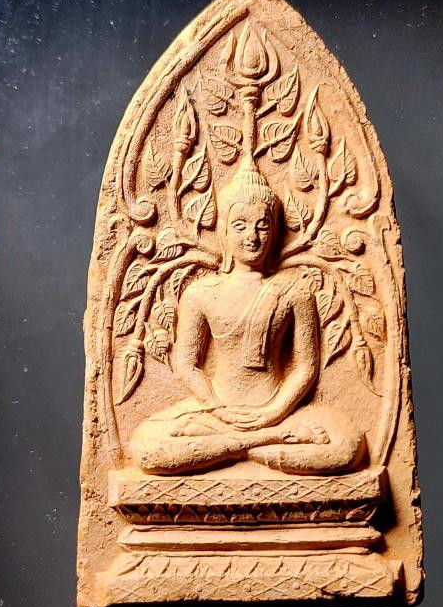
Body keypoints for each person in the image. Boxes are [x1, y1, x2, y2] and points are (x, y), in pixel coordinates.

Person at [131, 158, 365, 475]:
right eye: (240, 226)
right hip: (214, 414)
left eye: (262, 226)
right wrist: (217, 408)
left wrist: (274, 412)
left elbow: (305, 367)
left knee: (349, 446)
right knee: (146, 449)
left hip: (279, 413)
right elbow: (186, 364)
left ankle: (236, 447)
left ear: (275, 231)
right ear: (224, 231)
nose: (252, 237)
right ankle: (258, 445)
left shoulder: (295, 292)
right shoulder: (201, 293)